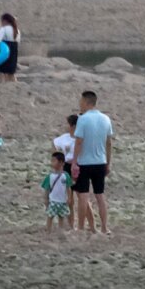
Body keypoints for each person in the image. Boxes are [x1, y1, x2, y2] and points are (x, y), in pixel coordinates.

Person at [74, 90, 115, 233]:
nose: (80, 104)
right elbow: (109, 142)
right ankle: (105, 227)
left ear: (86, 102)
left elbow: (79, 142)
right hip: (100, 161)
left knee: (83, 196)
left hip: (85, 162)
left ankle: (80, 227)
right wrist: (108, 162)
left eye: (81, 101)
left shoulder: (83, 119)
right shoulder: (106, 119)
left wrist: (74, 161)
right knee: (100, 195)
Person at [43, 150, 73, 232]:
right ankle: (48, 230)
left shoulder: (65, 175)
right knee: (50, 216)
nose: (52, 163)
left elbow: (68, 188)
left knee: (61, 216)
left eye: (54, 161)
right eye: (52, 161)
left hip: (62, 200)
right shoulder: (50, 176)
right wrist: (46, 199)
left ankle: (60, 230)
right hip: (53, 200)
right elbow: (47, 188)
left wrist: (69, 198)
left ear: (61, 163)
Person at [0, 12, 21, 82]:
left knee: (0, 70)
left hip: (3, 50)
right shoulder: (17, 30)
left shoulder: (3, 29)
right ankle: (14, 84)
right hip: (14, 51)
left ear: (5, 20)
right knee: (11, 72)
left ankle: (1, 84)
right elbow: (18, 42)